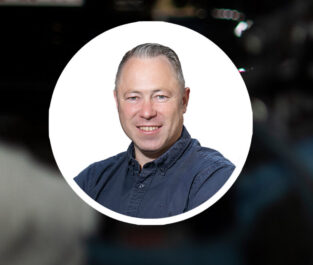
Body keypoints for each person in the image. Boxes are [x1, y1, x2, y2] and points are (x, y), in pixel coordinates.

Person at [74, 42, 235, 219]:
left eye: (160, 96)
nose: (147, 112)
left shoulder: (216, 178)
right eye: (133, 97)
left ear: (184, 100)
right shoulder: (91, 180)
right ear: (117, 101)